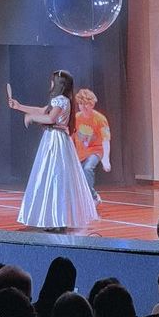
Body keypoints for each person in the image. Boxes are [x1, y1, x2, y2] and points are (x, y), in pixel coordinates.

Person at [10, 70, 97, 231]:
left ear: (58, 84)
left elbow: (50, 118)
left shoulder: (60, 100)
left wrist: (30, 118)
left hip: (55, 141)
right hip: (57, 140)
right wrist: (19, 106)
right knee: (56, 179)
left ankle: (58, 221)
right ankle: (57, 219)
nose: (50, 83)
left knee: (55, 178)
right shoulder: (62, 100)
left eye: (52, 81)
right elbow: (43, 110)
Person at [72, 87, 111, 203]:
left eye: (86, 104)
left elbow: (106, 140)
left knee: (88, 168)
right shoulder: (76, 118)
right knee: (79, 176)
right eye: (80, 104)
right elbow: (71, 136)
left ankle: (93, 198)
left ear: (92, 104)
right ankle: (93, 195)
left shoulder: (100, 119)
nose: (83, 107)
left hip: (96, 151)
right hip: (80, 153)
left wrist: (106, 159)